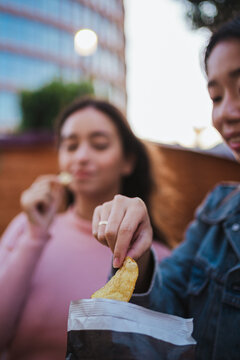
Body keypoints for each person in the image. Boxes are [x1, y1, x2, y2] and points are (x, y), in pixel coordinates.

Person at [92, 17, 240, 360]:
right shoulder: (218, 209)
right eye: (216, 96)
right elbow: (165, 311)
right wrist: (137, 255)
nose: (226, 112)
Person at [0, 97, 171, 359]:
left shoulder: (154, 256)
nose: (81, 157)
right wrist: (34, 238)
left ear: (128, 161)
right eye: (70, 146)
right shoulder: (27, 227)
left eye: (99, 145)